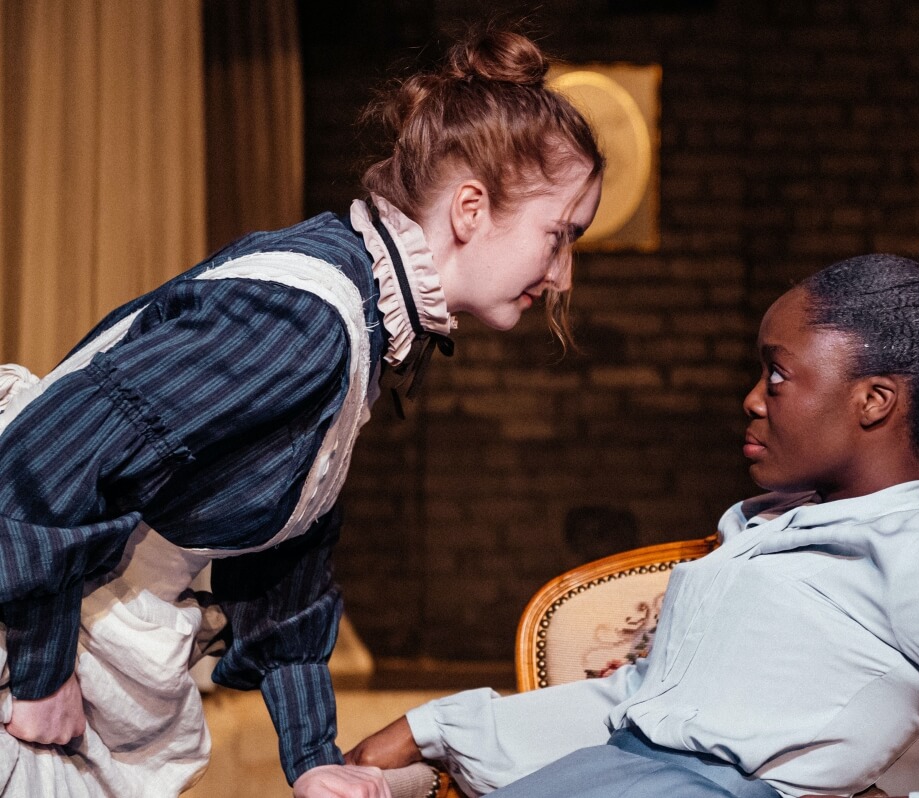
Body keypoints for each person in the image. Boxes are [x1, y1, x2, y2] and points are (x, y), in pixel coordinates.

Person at [0, 26, 602, 798]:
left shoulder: (354, 324)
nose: (563, 277)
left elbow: (284, 565)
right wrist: (45, 671)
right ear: (471, 208)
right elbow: (43, 460)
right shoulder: (306, 318)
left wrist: (315, 757)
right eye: (559, 237)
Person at [346, 242, 919, 798]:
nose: (751, 398)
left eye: (776, 375)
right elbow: (644, 709)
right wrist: (425, 729)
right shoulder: (770, 530)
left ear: (874, 401)